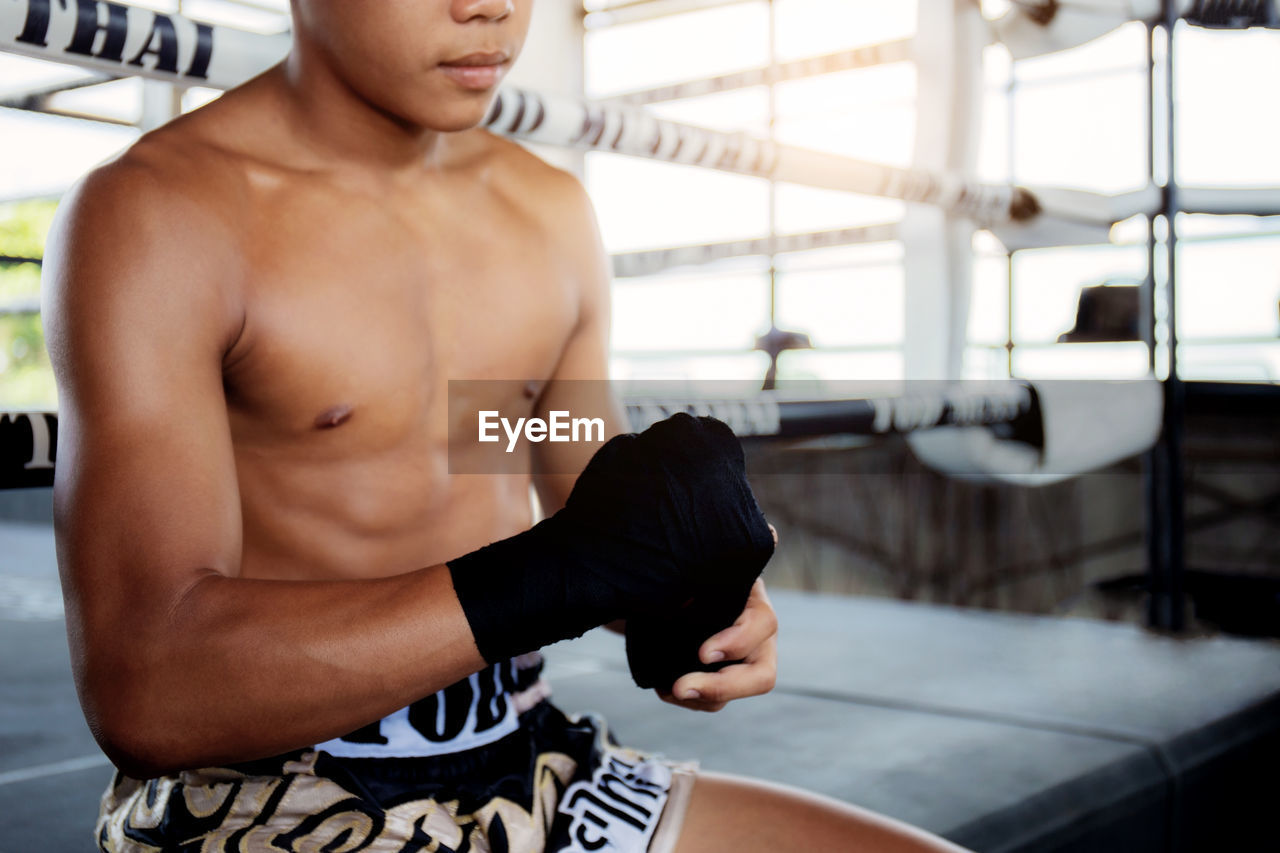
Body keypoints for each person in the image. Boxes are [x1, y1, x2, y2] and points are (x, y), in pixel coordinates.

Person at [42, 1, 973, 850]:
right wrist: (566, 572)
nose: (488, 7)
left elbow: (580, 513)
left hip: (532, 757)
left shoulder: (545, 212)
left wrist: (698, 591)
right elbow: (150, 687)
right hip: (268, 794)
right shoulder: (162, 214)